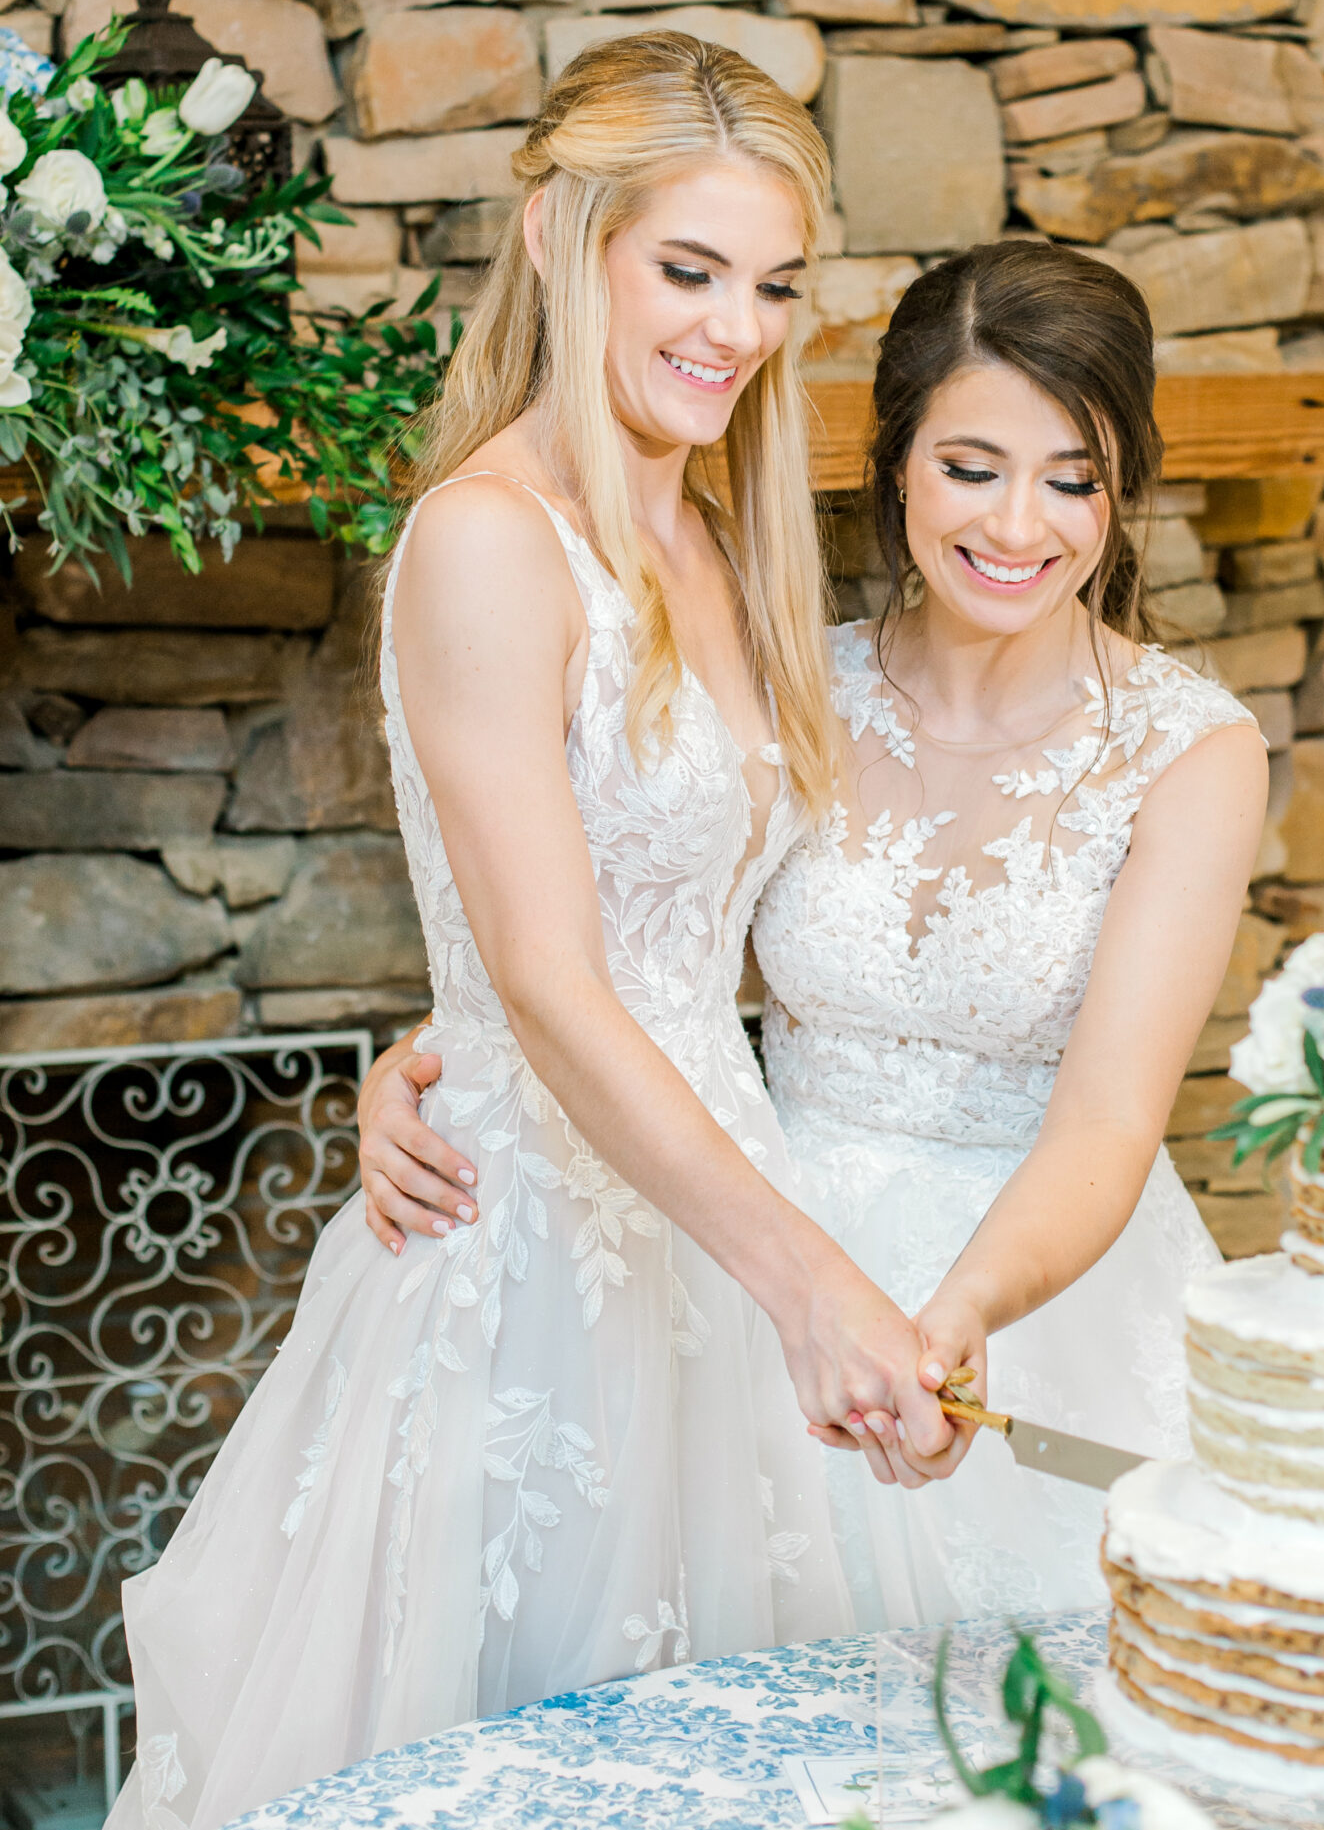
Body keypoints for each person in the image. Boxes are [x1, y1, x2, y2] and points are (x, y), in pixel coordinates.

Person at [88, 32, 957, 1830]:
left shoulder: (715, 534)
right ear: (569, 239)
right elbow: (550, 983)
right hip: (538, 1258)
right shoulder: (490, 542)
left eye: (774, 285)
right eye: (692, 270)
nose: (736, 330)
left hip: (705, 1215)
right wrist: (810, 1281)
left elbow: (658, 929)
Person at [359, 238, 1269, 1632]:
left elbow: (1105, 1128)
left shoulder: (1191, 752)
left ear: (1122, 488)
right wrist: (440, 1055)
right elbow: (638, 939)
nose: (1018, 528)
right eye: (971, 469)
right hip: (736, 1271)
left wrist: (953, 1320)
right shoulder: (790, 679)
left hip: (1038, 1294)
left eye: (1072, 480)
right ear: (896, 462)